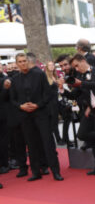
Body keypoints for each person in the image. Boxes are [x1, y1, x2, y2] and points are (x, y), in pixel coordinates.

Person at [9, 53, 63, 181]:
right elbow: (13, 99)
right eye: (20, 62)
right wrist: (21, 106)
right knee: (31, 144)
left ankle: (56, 171)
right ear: (17, 64)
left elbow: (48, 94)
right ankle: (35, 172)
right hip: (25, 116)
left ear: (28, 61)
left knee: (48, 142)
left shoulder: (39, 75)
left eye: (24, 61)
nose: (23, 63)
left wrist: (37, 105)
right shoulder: (15, 79)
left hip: (41, 114)